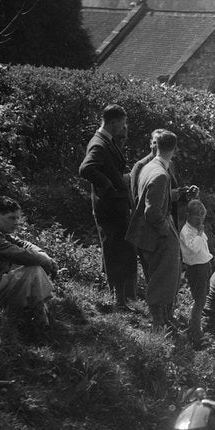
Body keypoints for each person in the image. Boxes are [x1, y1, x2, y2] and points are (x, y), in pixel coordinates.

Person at [78, 104, 137, 308]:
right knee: (114, 251)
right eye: (121, 124)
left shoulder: (106, 140)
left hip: (114, 205)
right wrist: (108, 185)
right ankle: (118, 301)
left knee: (119, 249)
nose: (123, 128)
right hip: (109, 208)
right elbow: (86, 169)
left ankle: (122, 298)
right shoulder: (99, 144)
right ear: (113, 123)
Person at [0, 196, 57, 321]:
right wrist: (45, 260)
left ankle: (37, 310)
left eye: (17, 218)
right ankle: (37, 317)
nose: (16, 222)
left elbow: (21, 243)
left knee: (31, 264)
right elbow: (21, 255)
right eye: (12, 218)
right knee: (33, 270)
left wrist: (42, 254)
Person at [127, 129, 181, 331]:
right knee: (163, 278)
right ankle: (159, 324)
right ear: (174, 149)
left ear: (156, 145)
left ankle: (163, 321)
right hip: (157, 236)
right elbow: (152, 213)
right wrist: (166, 231)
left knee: (159, 277)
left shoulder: (148, 166)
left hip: (147, 234)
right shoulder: (160, 174)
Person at [179, 199, 212, 346]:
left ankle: (196, 324)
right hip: (196, 269)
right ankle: (195, 332)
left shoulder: (196, 230)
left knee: (203, 298)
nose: (200, 219)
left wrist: (200, 232)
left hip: (204, 266)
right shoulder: (186, 232)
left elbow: (203, 245)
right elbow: (194, 248)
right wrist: (199, 233)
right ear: (189, 215)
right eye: (197, 216)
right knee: (199, 300)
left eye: (202, 216)